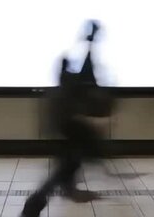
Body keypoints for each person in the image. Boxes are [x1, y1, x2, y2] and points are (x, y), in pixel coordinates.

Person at [21, 20, 112, 217]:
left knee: (64, 170)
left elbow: (86, 73)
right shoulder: (69, 87)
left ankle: (41, 202)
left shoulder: (64, 88)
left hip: (66, 132)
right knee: (63, 171)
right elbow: (88, 72)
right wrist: (90, 44)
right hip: (69, 132)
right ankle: (36, 205)